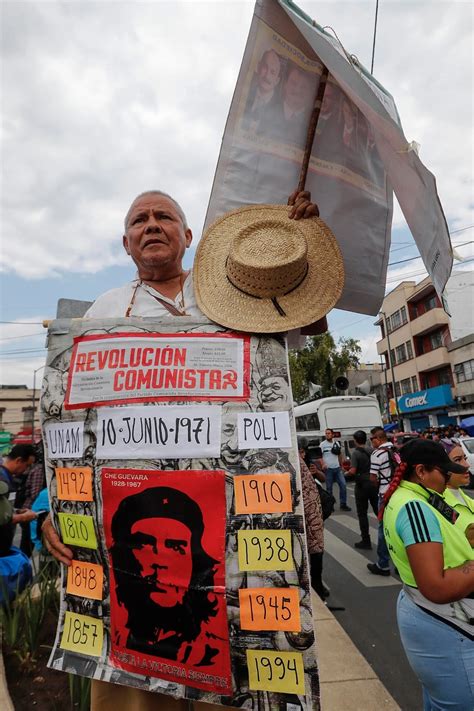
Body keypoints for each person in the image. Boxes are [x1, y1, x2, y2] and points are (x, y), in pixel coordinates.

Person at [42, 187, 319, 711]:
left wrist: (298, 244)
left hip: (234, 520)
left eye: (164, 216)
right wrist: (59, 511)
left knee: (240, 670)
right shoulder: (102, 312)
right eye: (139, 219)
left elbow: (303, 327)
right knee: (135, 681)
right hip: (135, 516)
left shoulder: (234, 298)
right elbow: (73, 428)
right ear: (125, 244)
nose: (151, 225)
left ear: (188, 237)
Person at [379, 439, 474, 710]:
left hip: (436, 617)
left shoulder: (418, 496)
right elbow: (436, 586)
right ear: (421, 471)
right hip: (446, 622)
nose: (448, 476)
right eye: (443, 471)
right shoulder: (414, 507)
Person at [109, 486, 226, 666]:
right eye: (144, 544)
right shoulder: (112, 632)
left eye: (176, 547)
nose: (160, 560)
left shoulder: (217, 650)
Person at [367, 426, 397, 576]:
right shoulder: (396, 450)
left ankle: (383, 564)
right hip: (399, 493)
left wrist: (379, 484)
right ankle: (400, 565)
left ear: (378, 439)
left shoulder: (377, 454)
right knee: (398, 528)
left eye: (372, 439)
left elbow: (373, 478)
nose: (371, 442)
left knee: (383, 529)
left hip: (385, 495)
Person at [0, 444, 37, 557]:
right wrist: (23, 517)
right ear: (19, 460)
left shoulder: (8, 477)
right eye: (27, 465)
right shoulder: (2, 480)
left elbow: (4, 510)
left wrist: (16, 511)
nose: (27, 470)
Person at [348, 430, 378, 549]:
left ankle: (366, 540)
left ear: (355, 440)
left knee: (362, 514)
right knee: (378, 511)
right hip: (373, 483)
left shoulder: (355, 453)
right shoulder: (372, 450)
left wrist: (347, 472)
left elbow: (353, 471)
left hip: (361, 485)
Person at [441, 440, 474, 546]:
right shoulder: (439, 503)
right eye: (457, 460)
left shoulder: (461, 494)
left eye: (465, 458)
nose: (467, 465)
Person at [242, 49, 281, 131]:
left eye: (273, 72)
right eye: (265, 67)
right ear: (258, 67)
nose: (267, 75)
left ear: (277, 80)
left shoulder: (280, 109)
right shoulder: (243, 93)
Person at [320, 428, 351, 511]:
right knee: (329, 488)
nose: (327, 435)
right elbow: (320, 456)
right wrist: (323, 464)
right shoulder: (322, 444)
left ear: (332, 434)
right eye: (326, 433)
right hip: (328, 469)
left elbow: (339, 455)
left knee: (343, 485)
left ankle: (343, 504)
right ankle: (330, 506)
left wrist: (341, 466)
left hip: (337, 468)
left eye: (329, 433)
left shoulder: (336, 443)